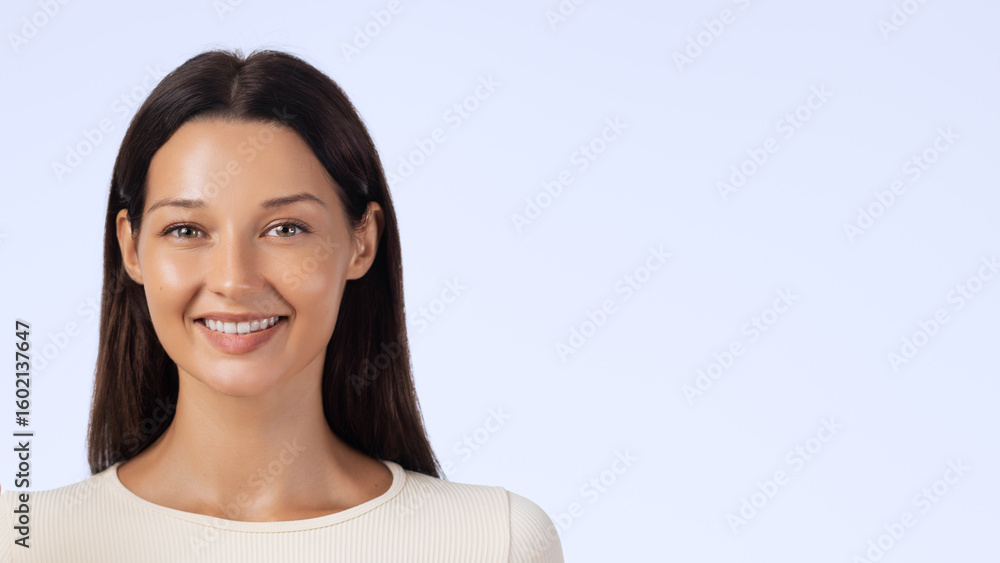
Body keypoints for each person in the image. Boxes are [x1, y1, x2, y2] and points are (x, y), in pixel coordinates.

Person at [0, 49, 563, 562]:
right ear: (131, 248)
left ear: (362, 242)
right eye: (187, 230)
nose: (234, 280)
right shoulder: (22, 540)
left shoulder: (496, 541)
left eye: (286, 228)